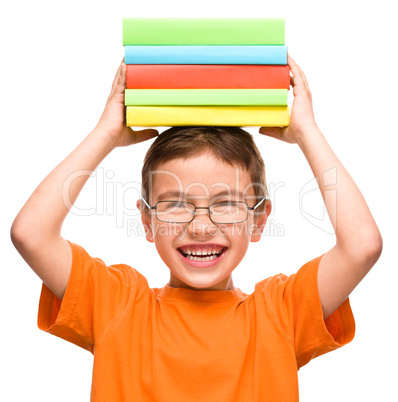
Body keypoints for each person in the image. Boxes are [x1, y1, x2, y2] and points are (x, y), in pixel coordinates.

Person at [10, 55, 382, 401]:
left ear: (259, 219)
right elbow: (31, 233)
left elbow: (362, 245)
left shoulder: (280, 314)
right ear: (147, 220)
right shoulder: (118, 306)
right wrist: (104, 134)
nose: (201, 226)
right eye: (175, 204)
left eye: (226, 204)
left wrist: (308, 133)